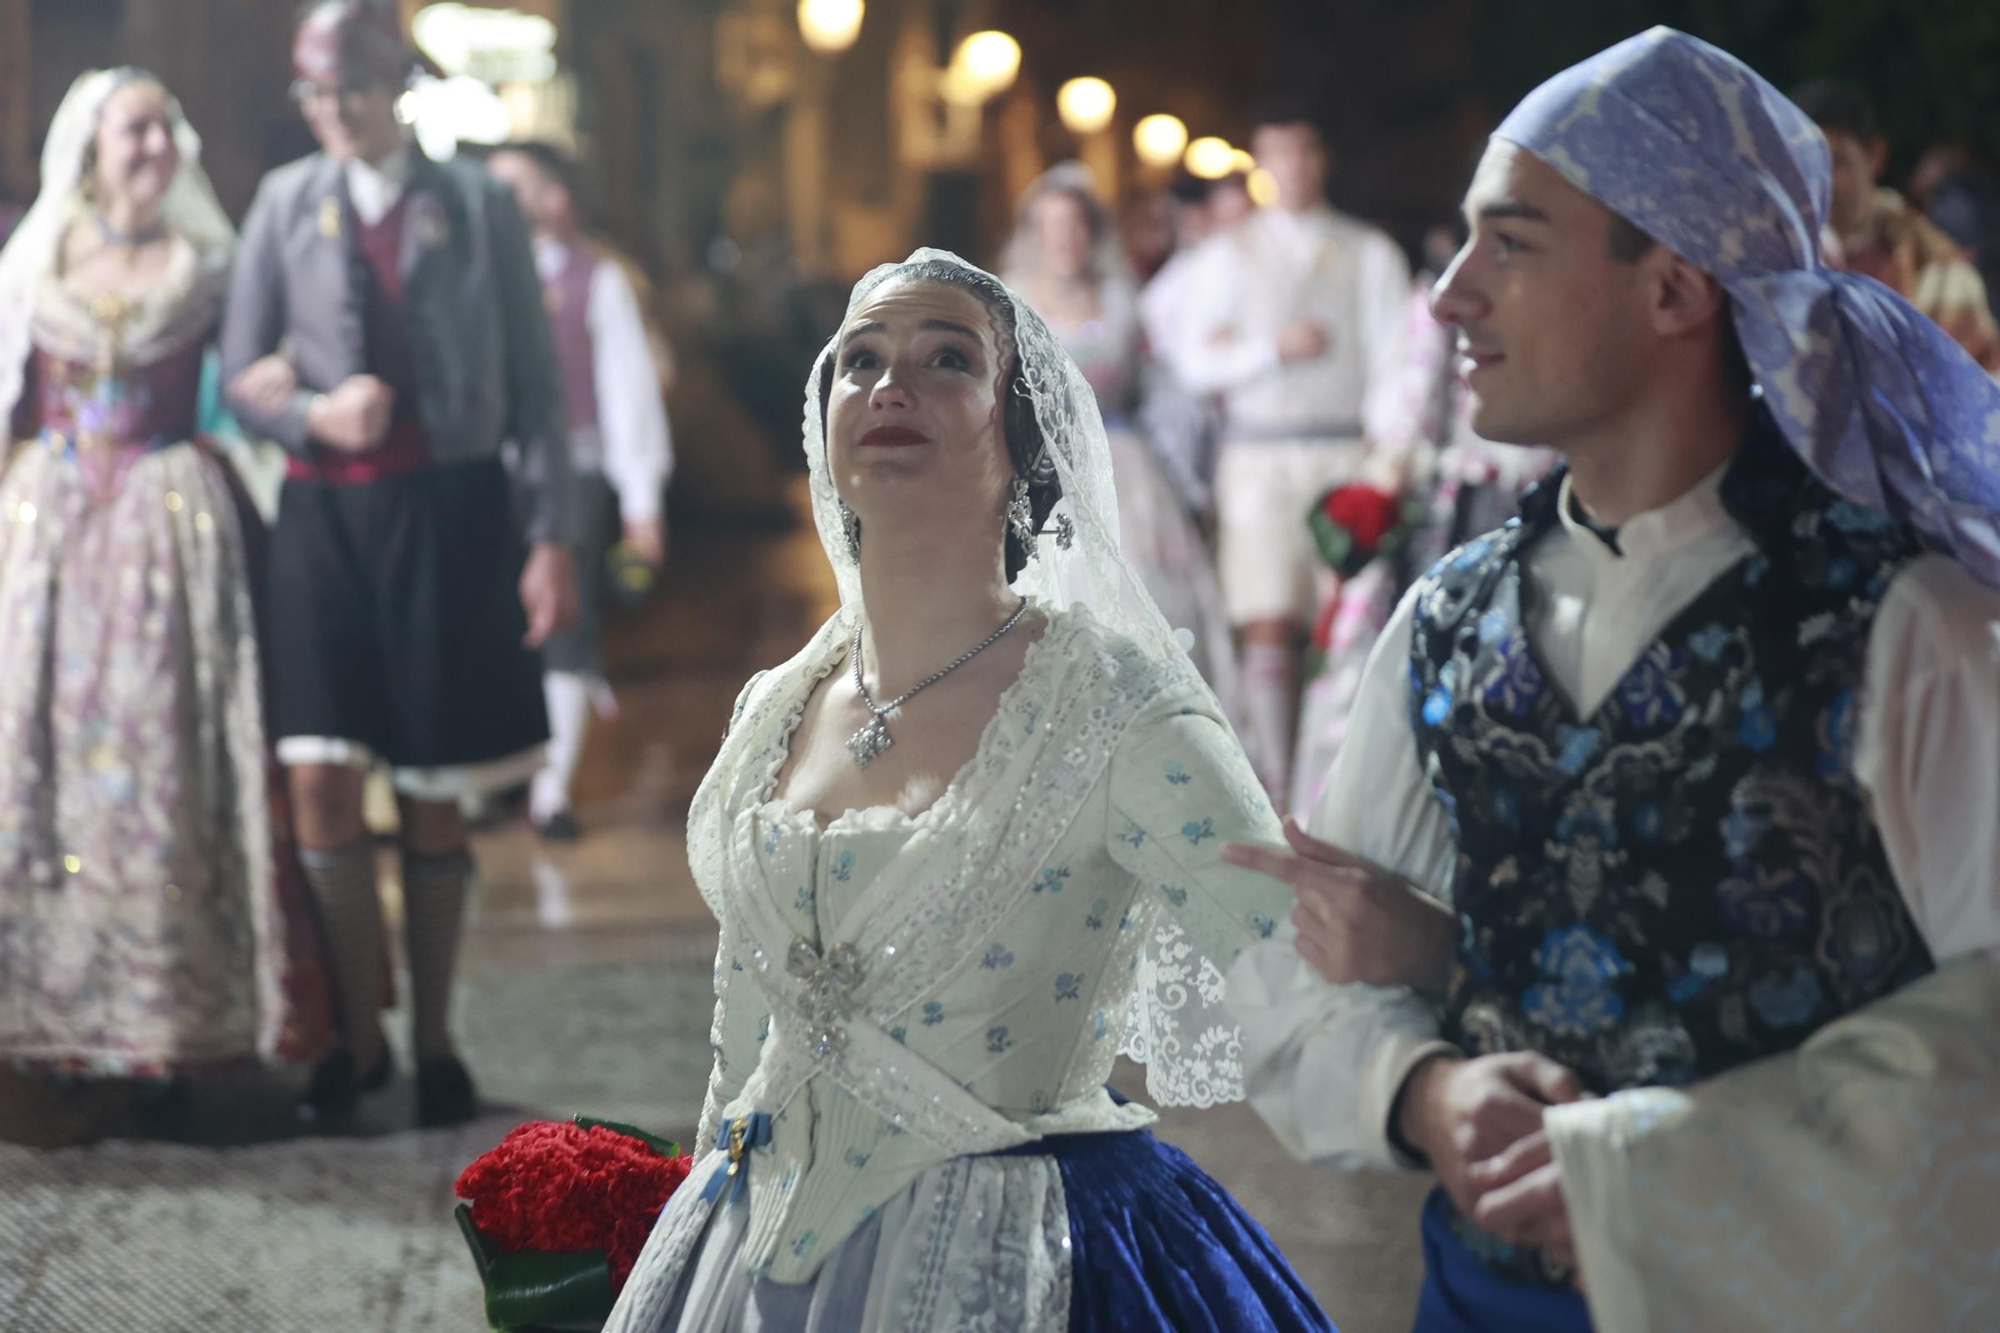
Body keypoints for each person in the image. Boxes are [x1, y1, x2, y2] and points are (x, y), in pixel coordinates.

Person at [1224, 28, 2000, 1331]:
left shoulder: (1896, 625)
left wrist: (1654, 1173)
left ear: (1675, 288)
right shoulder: (1445, 619)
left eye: (1511, 243)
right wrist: (1421, 1089)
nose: (1450, 295)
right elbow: (1306, 967)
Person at [605, 251, 1334, 1333]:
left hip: (1024, 1249)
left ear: (1019, 438)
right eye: (858, 362)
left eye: (947, 360)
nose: (889, 386)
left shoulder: (1114, 706)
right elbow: (747, 1016)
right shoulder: (776, 700)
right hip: (748, 1256)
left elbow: (1299, 969)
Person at [220, 0, 579, 1128]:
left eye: (353, 92)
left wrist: (555, 537)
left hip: (454, 516)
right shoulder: (283, 205)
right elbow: (240, 376)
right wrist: (317, 413)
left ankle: (434, 1042)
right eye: (316, 96)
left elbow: (538, 394)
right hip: (325, 520)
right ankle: (357, 1036)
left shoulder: (476, 207)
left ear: (397, 87)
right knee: (317, 774)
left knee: (432, 791)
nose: (334, 114)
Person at [0, 70, 330, 1126]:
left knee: (164, 759)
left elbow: (250, 382)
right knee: (42, 758)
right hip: (51, 533)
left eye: (164, 126)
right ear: (90, 144)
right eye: (135, 127)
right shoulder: (39, 257)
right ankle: (48, 1021)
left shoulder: (210, 265)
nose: (155, 143)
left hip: (164, 529)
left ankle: (175, 1026)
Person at [1157, 100, 1411, 808]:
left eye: (1304, 152)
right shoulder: (1227, 255)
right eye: (1278, 155)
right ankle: (1273, 779)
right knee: (1268, 613)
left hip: (1342, 449)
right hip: (1260, 452)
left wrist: (1387, 457)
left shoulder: (1369, 251)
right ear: (1261, 164)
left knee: (1347, 621)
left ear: (1320, 158)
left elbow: (1396, 356)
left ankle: (1335, 783)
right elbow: (1190, 357)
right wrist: (1270, 350)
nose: (1292, 169)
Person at [486, 141, 674, 842]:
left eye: (515, 186)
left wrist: (641, 503)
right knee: (498, 628)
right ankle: (501, 775)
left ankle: (551, 789)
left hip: (576, 472)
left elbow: (628, 395)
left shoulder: (599, 281)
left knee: (565, 624)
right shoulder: (478, 278)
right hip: (489, 474)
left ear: (556, 199)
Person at [1000, 162, 1238, 708]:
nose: (1065, 239)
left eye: (1075, 225)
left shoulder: (1120, 298)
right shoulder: (1010, 299)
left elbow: (1156, 380)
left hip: (1122, 461)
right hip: (1042, 463)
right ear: (1036, 234)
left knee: (1147, 587)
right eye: (1052, 226)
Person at [1793, 78, 2000, 371]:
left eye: (1837, 162)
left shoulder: (1939, 271)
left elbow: (1986, 389)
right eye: (1806, 162)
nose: (1820, 179)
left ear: (1875, 156)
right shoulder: (1781, 262)